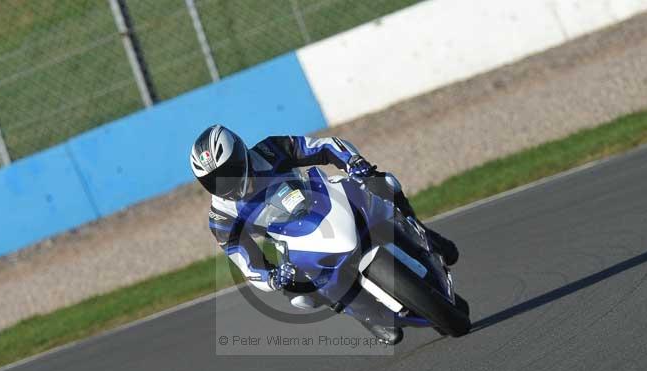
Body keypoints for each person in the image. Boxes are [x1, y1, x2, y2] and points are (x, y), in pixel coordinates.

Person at [190, 124, 458, 345]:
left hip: (321, 199)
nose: (224, 184)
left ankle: (424, 232)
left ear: (242, 155)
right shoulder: (221, 218)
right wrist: (271, 277)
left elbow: (324, 146)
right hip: (291, 239)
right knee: (300, 296)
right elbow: (245, 262)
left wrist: (354, 163)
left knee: (383, 183)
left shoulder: (271, 150)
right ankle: (365, 314)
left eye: (229, 172)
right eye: (213, 180)